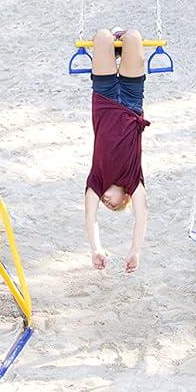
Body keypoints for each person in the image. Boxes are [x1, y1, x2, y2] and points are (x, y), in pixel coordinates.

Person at [83, 27, 150, 273]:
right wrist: (135, 251)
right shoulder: (134, 181)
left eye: (105, 205)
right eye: (117, 206)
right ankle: (122, 39)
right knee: (133, 38)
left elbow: (91, 219)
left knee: (102, 37)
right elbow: (141, 218)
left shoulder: (96, 181)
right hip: (132, 103)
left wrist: (96, 248)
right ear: (127, 198)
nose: (107, 204)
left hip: (103, 101)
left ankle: (112, 41)